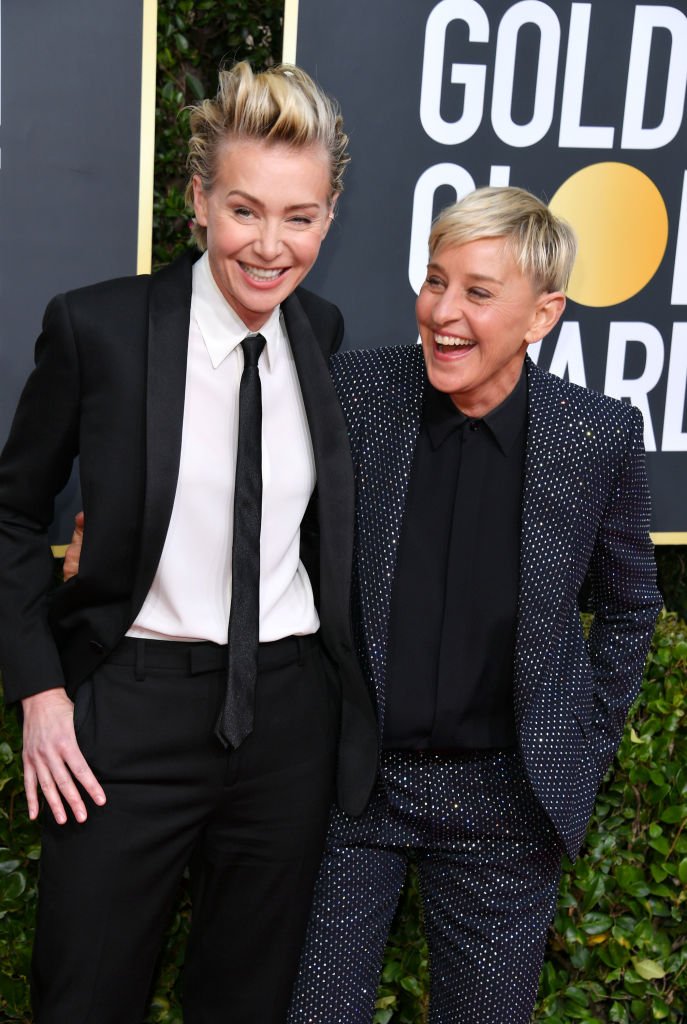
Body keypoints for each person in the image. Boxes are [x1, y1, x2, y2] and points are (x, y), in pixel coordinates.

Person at [0, 62, 376, 1024]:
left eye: (299, 216)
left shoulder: (320, 334)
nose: (270, 244)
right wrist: (42, 692)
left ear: (329, 218)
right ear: (198, 199)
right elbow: (10, 513)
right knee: (83, 999)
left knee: (246, 1002)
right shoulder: (100, 330)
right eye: (245, 209)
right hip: (129, 715)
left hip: (289, 716)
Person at [284, 186, 662, 1023]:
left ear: (542, 314)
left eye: (477, 293)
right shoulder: (358, 394)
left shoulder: (593, 435)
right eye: (433, 281)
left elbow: (632, 607)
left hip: (503, 803)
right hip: (356, 787)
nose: (442, 313)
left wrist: (579, 739)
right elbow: (267, 520)